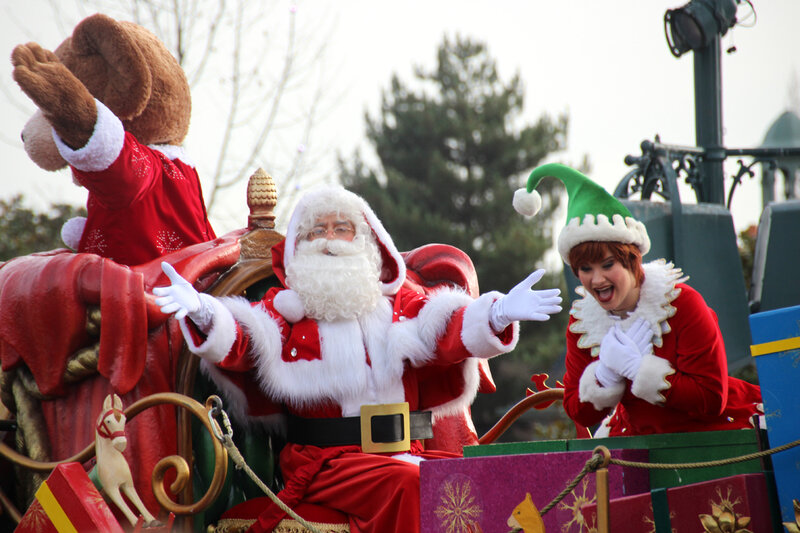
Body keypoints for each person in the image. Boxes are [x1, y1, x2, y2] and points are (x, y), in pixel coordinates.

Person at [154, 185, 562, 533]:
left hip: (409, 450)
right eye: (317, 230)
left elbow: (446, 328)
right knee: (412, 485)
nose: (328, 239)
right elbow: (245, 339)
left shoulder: (399, 304)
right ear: (300, 245)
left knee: (482, 481)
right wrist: (206, 313)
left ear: (366, 239)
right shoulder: (289, 311)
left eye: (341, 228)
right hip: (329, 462)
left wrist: (496, 313)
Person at [512, 163, 762, 437]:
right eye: (585, 269)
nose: (596, 280)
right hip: (642, 444)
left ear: (632, 260)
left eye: (608, 265)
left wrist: (640, 369)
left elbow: (711, 399)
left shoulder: (681, 304)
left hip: (717, 437)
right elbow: (577, 409)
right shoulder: (584, 321)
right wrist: (605, 375)